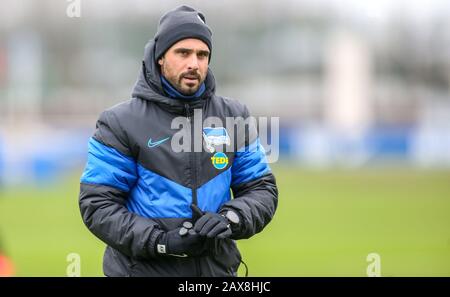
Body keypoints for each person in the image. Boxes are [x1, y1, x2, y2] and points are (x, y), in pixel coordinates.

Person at [79, 5, 278, 277]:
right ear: (160, 57)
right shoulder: (119, 122)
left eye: (202, 54)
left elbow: (261, 189)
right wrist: (162, 242)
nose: (194, 64)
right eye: (183, 53)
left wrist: (230, 219)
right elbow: (97, 205)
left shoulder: (235, 116)